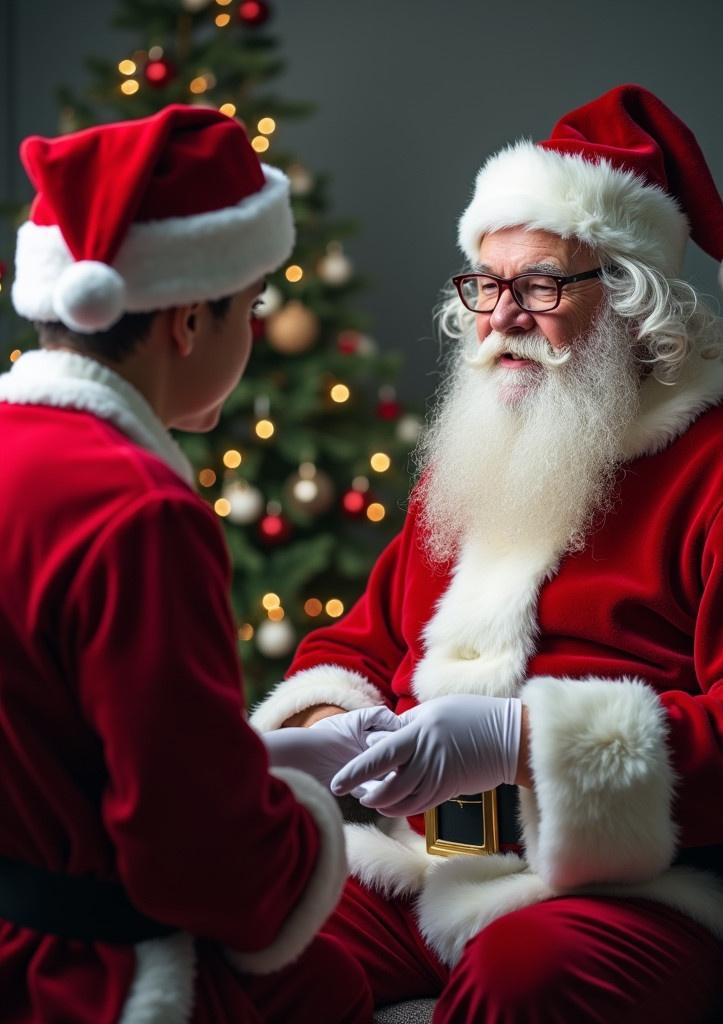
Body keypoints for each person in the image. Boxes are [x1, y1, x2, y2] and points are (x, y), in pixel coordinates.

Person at [253, 84, 723, 1023]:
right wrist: (329, 725)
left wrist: (522, 744)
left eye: (539, 285)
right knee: (248, 943)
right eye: (486, 285)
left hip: (619, 891)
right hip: (418, 866)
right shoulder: (479, 449)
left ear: (631, 298)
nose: (500, 317)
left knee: (525, 976)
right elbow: (364, 641)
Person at [0, 105, 375, 1024]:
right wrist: (299, 816)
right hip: (88, 978)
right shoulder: (142, 514)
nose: (251, 335)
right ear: (186, 320)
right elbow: (195, 853)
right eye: (249, 309)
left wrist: (241, 762)